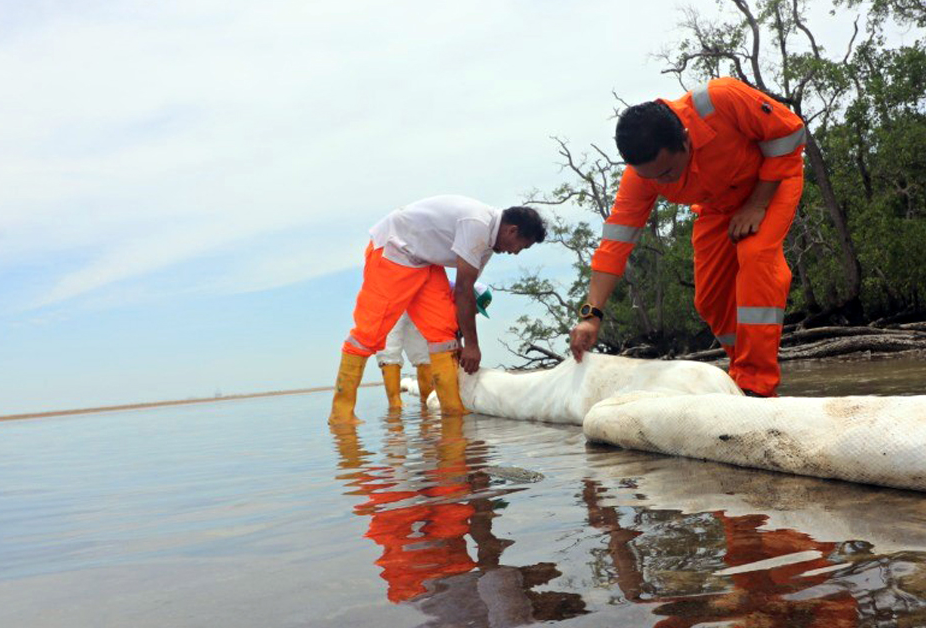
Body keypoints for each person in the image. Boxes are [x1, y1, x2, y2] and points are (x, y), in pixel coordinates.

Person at [568, 78, 806, 398]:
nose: (660, 182)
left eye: (667, 173)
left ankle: (758, 384)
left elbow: (790, 132)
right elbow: (615, 244)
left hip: (771, 183)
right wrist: (591, 315)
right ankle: (741, 372)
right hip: (718, 207)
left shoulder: (720, 100)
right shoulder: (642, 177)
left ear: (685, 139)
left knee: (756, 256)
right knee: (709, 297)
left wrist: (757, 203)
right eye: (650, 176)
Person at [329, 196, 545, 425]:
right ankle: (341, 414)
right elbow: (463, 289)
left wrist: (461, 341)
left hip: (424, 261)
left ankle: (453, 411)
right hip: (395, 250)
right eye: (522, 246)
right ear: (512, 231)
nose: (516, 253)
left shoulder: (487, 245)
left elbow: (465, 295)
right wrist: (472, 346)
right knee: (369, 332)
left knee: (443, 332)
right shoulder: (477, 224)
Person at [376, 283, 493, 410]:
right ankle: (395, 406)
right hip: (394, 298)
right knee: (389, 351)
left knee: (424, 355)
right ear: (467, 298)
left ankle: (426, 404)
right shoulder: (443, 292)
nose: (473, 314)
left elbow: (452, 332)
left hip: (419, 306)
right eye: (473, 309)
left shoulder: (455, 301)